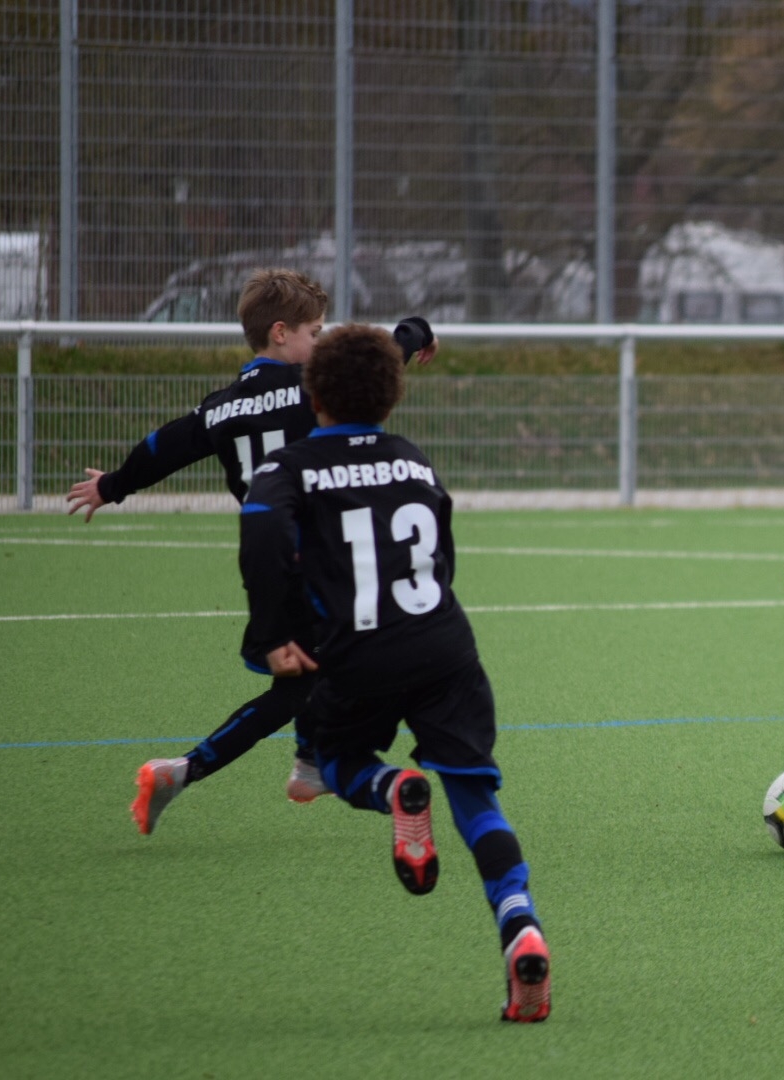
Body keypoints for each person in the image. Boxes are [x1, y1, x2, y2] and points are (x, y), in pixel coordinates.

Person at [239, 323, 550, 1022]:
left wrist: (275, 635)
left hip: (356, 657)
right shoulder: (413, 461)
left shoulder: (289, 467)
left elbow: (261, 531)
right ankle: (520, 924)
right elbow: (442, 555)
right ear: (393, 396)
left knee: (332, 763)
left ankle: (394, 789)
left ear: (312, 394)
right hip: (445, 648)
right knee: (476, 799)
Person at [63, 267, 436, 833]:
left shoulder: (221, 407)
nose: (321, 342)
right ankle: (185, 770)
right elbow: (384, 354)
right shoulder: (315, 387)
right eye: (315, 332)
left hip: (269, 566)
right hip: (326, 565)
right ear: (281, 333)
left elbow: (163, 446)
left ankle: (307, 765)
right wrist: (417, 330)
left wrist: (112, 486)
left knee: (310, 675)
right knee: (313, 682)